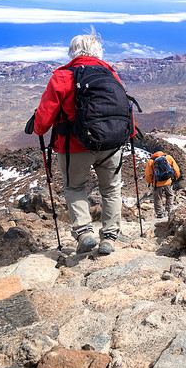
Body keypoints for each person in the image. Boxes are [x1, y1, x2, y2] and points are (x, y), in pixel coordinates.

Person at [32, 29, 129, 256]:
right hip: (111, 144)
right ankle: (109, 239)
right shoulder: (112, 75)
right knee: (112, 190)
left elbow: (44, 120)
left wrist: (36, 127)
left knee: (75, 188)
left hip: (74, 146)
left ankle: (85, 234)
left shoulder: (62, 76)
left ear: (72, 52)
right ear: (98, 52)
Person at [145, 151, 180, 219]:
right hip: (168, 182)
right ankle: (169, 210)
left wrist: (151, 181)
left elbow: (148, 174)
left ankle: (160, 214)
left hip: (157, 184)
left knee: (158, 198)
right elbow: (176, 168)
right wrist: (176, 176)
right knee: (170, 195)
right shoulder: (168, 157)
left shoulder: (150, 161)